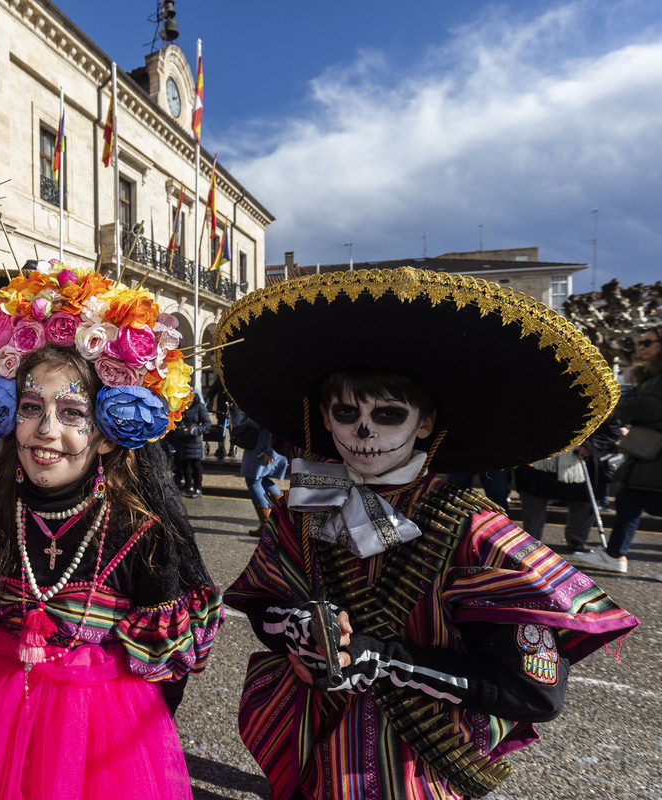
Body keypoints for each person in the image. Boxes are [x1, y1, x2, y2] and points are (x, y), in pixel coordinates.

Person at [216, 268, 639, 800]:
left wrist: (383, 660)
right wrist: (297, 629)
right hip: (311, 743)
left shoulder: (473, 529)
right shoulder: (304, 504)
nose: (363, 431)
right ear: (324, 417)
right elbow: (262, 603)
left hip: (416, 768)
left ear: (424, 422)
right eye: (346, 413)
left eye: (388, 414)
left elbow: (534, 693)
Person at [0, 263, 223, 799]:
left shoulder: (140, 535)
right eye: (31, 408)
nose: (46, 431)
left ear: (109, 434)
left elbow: (169, 677)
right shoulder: (1, 511)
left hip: (99, 744)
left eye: (72, 413)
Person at [574, 325, 662, 576]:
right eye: (640, 342)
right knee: (628, 501)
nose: (641, 347)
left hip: (655, 459)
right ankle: (615, 555)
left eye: (648, 342)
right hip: (647, 457)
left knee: (637, 502)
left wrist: (620, 402)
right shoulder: (649, 374)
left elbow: (648, 407)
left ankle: (615, 554)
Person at [513, 415, 620, 552]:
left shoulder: (600, 395)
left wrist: (591, 446)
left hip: (579, 461)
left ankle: (576, 540)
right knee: (533, 500)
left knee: (583, 505)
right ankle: (532, 543)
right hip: (539, 458)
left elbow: (611, 428)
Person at [233, 408, 288, 535]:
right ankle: (283, 514)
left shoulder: (269, 397)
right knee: (261, 480)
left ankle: (266, 525)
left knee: (254, 481)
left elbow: (274, 424)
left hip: (264, 446)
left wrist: (270, 450)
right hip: (263, 444)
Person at [172, 391, 211, 497]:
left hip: (194, 440)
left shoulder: (199, 407)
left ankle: (198, 488)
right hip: (182, 440)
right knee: (184, 464)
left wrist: (197, 431)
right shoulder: (181, 406)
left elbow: (207, 423)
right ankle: (188, 486)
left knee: (195, 464)